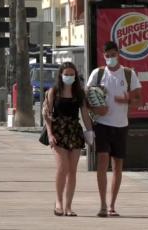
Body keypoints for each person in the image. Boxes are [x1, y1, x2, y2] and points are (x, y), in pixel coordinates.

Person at [86, 41, 142, 217]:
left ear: (119, 54)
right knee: (102, 162)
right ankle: (102, 204)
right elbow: (86, 98)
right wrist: (96, 109)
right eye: (107, 55)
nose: (111, 58)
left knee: (117, 166)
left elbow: (139, 99)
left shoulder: (128, 74)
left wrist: (127, 100)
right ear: (104, 56)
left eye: (113, 54)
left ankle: (112, 205)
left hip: (121, 126)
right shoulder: (98, 73)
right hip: (102, 124)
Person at [43, 62, 93, 216]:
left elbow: (85, 115)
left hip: (74, 131)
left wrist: (90, 132)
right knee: (62, 168)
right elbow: (46, 114)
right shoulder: (53, 92)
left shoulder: (79, 94)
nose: (69, 77)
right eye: (66, 74)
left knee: (72, 170)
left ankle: (68, 206)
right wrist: (50, 134)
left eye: (72, 74)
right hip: (58, 131)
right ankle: (58, 202)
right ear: (60, 75)